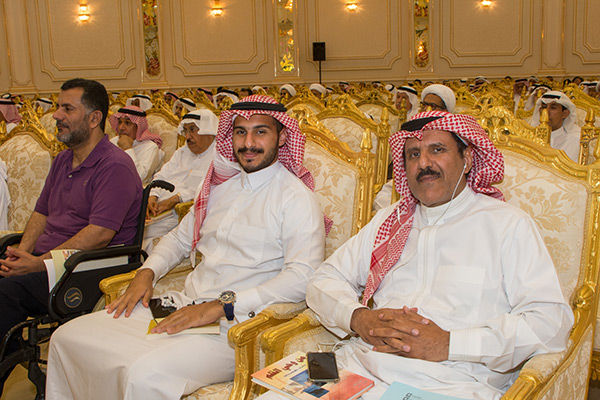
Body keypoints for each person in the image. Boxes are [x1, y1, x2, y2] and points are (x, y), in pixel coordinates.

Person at [264, 111, 575, 400]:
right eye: (413, 154)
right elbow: (323, 279)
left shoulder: (507, 225)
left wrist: (450, 344)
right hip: (359, 368)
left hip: (450, 382)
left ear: (467, 159)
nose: (424, 163)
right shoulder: (390, 220)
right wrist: (358, 318)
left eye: (437, 150)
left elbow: (549, 322)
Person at [45, 95, 327, 400]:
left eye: (260, 132)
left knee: (142, 373)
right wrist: (147, 272)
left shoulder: (296, 198)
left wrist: (221, 306)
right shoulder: (220, 189)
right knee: (67, 337)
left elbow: (302, 278)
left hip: (238, 328)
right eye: (240, 132)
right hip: (183, 305)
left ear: (282, 137)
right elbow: (179, 239)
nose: (248, 143)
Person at [0, 78, 142, 395]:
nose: (56, 115)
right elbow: (41, 213)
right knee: (7, 278)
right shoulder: (64, 158)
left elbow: (100, 234)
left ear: (94, 118)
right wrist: (21, 255)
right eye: (57, 107)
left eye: (67, 109)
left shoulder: (115, 166)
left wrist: (38, 263)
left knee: (5, 293)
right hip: (47, 265)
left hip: (86, 269)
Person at [143, 109, 219, 252]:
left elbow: (209, 189)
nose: (188, 136)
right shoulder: (182, 152)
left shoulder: (219, 157)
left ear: (208, 130)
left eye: (193, 130)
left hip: (181, 213)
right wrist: (152, 196)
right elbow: (161, 176)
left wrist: (175, 199)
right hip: (159, 208)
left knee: (140, 231)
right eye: (186, 131)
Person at [109, 105, 164, 184]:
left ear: (138, 126)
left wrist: (128, 149)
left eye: (127, 123)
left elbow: (140, 178)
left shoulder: (150, 147)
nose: (121, 127)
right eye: (120, 122)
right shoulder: (114, 141)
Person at [531, 91, 580, 162]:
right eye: (544, 107)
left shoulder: (575, 141)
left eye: (553, 108)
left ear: (564, 114)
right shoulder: (529, 137)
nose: (546, 112)